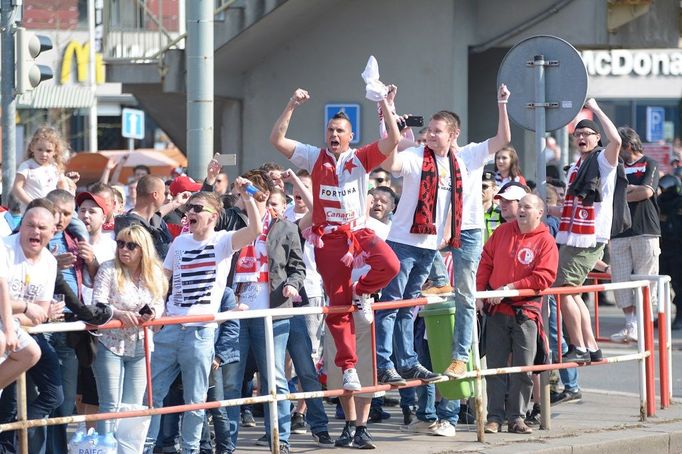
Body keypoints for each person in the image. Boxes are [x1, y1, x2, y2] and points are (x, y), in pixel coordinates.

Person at [270, 87, 401, 391]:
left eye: (340, 130)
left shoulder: (360, 158)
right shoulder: (314, 156)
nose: (334, 133)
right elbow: (276, 140)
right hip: (328, 241)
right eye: (330, 129)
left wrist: (384, 102)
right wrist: (291, 104)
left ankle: (364, 291)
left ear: (350, 135)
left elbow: (393, 140)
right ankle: (348, 366)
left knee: (390, 265)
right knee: (338, 306)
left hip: (358, 233)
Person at [144, 184, 262, 454]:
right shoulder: (179, 241)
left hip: (200, 332)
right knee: (152, 396)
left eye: (198, 209)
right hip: (171, 327)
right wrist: (156, 309)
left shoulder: (223, 240)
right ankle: (146, 448)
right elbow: (164, 279)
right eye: (189, 209)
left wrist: (248, 198)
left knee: (195, 402)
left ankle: (190, 450)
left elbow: (254, 231)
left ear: (213, 216)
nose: (190, 213)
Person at [478, 194, 558, 435]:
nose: (521, 210)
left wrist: (509, 289)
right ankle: (494, 418)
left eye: (527, 206)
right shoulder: (502, 233)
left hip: (526, 312)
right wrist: (482, 293)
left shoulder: (546, 241)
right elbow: (485, 263)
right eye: (520, 205)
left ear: (539, 212)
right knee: (495, 367)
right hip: (496, 309)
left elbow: (543, 277)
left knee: (523, 369)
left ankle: (517, 418)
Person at [555, 99, 622, 363]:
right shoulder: (575, 167)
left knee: (562, 289)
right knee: (571, 291)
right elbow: (569, 207)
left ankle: (579, 347)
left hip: (589, 236)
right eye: (578, 134)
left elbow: (615, 140)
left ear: (596, 138)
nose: (582, 137)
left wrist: (595, 109)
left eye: (587, 134)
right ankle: (591, 346)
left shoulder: (602, 161)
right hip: (574, 235)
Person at [91, 225, 166, 434]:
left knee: (132, 407)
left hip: (142, 345)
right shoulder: (108, 268)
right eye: (120, 243)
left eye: (131, 245)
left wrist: (152, 313)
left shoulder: (154, 272)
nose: (124, 249)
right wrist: (118, 314)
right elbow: (98, 303)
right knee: (110, 405)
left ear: (143, 249)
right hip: (110, 343)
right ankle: (106, 448)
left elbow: (159, 302)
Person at [609, 126, 660, 343]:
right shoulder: (614, 165)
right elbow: (607, 193)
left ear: (627, 144)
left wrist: (621, 194)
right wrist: (630, 191)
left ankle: (643, 325)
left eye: (617, 145)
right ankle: (630, 324)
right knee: (619, 280)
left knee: (646, 279)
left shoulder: (650, 163)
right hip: (618, 231)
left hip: (645, 230)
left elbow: (647, 191)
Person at [11, 127, 75, 213]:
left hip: (51, 212)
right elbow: (17, 188)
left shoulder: (55, 167)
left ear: (55, 151)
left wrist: (65, 196)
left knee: (76, 222)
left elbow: (62, 184)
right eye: (39, 149)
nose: (44, 154)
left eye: (48, 151)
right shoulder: (26, 166)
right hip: (31, 212)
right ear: (32, 148)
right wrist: (32, 204)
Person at [115, 175, 174, 259]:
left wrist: (176, 202)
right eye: (164, 193)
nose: (166, 197)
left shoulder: (157, 221)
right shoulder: (128, 225)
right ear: (155, 195)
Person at [658, 174, 682, 329]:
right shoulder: (659, 203)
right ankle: (661, 318)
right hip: (663, 248)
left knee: (679, 286)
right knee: (662, 286)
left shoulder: (679, 203)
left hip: (678, 250)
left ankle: (679, 317)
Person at [482, 171, 501, 242]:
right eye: (477, 186)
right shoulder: (467, 213)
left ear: (494, 189)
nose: (480, 190)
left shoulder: (501, 213)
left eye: (484, 187)